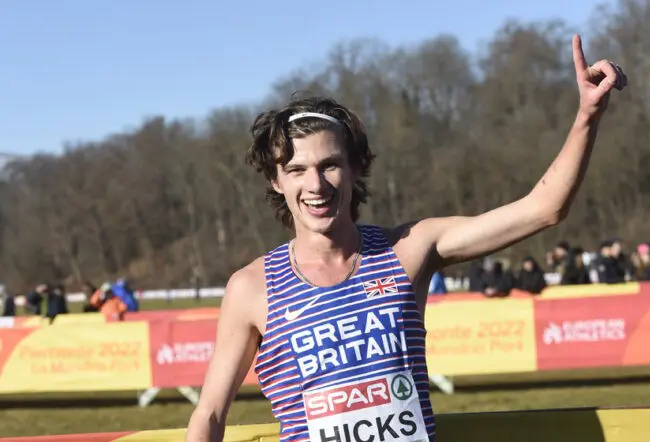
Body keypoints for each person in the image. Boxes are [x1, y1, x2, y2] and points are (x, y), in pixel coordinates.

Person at [186, 34, 627, 442]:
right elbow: (209, 415)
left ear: (355, 168)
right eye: (297, 170)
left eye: (329, 165)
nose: (315, 185)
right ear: (276, 181)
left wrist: (587, 116)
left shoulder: (409, 249)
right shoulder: (251, 288)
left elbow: (544, 209)